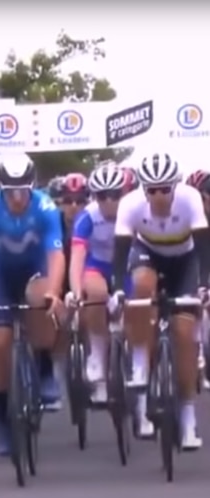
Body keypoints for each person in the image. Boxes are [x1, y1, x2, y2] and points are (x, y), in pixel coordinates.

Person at [0, 152, 65, 457]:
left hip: (34, 271)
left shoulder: (46, 206)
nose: (18, 198)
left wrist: (55, 292)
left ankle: (44, 368)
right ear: (1, 189)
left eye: (24, 191)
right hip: (0, 275)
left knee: (41, 299)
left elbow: (56, 254)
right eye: (11, 191)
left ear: (32, 187)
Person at [110, 152, 210, 450]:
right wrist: (117, 288)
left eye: (165, 189)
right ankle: (140, 361)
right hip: (147, 253)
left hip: (186, 259)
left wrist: (205, 285)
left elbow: (204, 249)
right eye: (151, 190)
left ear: (175, 187)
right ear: (143, 189)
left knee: (183, 333)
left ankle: (188, 418)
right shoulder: (130, 204)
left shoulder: (190, 199)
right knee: (141, 286)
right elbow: (119, 253)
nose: (158, 196)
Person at [67, 164, 124, 406]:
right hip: (97, 265)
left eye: (115, 195)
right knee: (96, 293)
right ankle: (98, 358)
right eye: (102, 196)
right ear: (95, 197)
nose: (109, 202)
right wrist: (76, 291)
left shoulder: (133, 211)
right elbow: (77, 259)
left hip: (126, 265)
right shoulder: (88, 216)